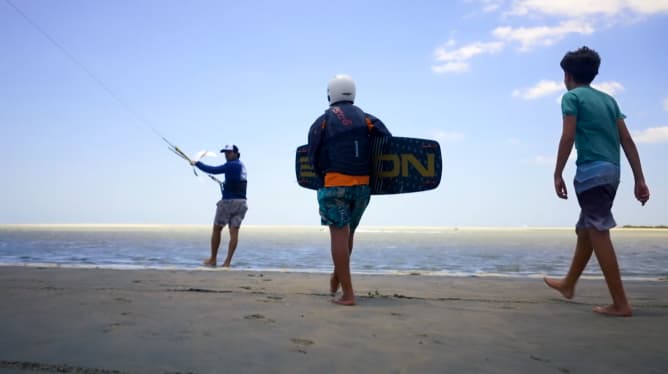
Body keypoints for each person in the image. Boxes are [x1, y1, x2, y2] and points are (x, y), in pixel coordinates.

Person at [544, 46, 650, 317]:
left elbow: (567, 137)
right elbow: (626, 139)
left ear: (567, 75)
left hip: (591, 173)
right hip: (612, 173)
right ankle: (568, 284)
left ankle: (620, 303)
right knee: (586, 229)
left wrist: (557, 173)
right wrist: (640, 178)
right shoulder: (609, 101)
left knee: (599, 230)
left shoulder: (572, 98)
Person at [307, 74, 392, 306]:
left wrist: (320, 178)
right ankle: (337, 277)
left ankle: (348, 294)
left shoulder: (322, 121)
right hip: (363, 188)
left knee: (338, 235)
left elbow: (312, 154)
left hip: (335, 186)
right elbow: (387, 143)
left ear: (329, 94)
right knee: (348, 234)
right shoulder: (367, 119)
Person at [191, 144, 248, 267]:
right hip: (242, 203)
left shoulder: (231, 165)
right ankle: (227, 262)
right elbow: (235, 182)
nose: (226, 155)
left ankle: (213, 259)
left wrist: (197, 163)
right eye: (225, 153)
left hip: (229, 202)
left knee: (217, 228)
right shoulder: (241, 166)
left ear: (236, 154)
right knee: (234, 232)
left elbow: (213, 170)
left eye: (229, 153)